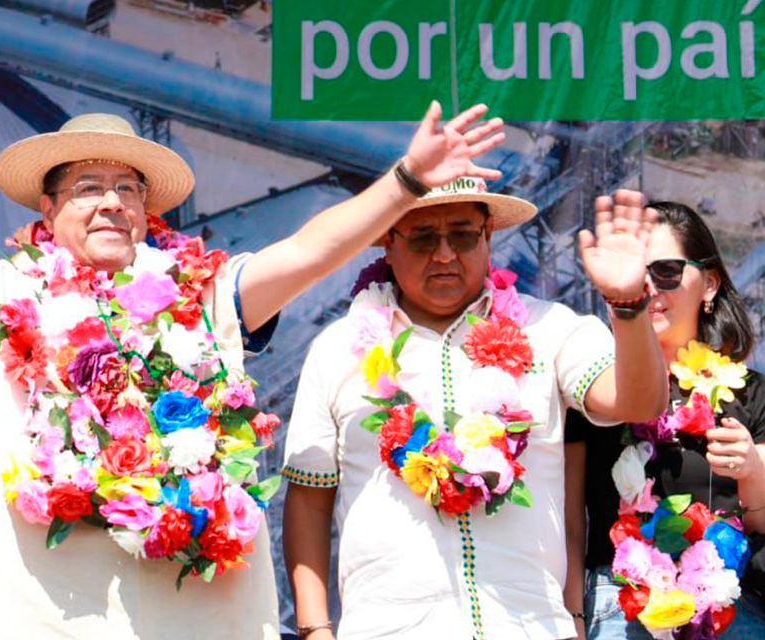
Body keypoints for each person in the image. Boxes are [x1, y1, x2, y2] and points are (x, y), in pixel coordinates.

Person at [0, 38, 508, 639]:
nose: (111, 202)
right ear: (47, 211)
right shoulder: (6, 291)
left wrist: (405, 180)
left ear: (149, 211)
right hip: (48, 622)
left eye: (128, 188)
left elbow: (312, 251)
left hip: (204, 620)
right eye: (87, 187)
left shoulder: (206, 295)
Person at [281, 182, 669, 640]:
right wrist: (314, 630)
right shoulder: (337, 349)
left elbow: (638, 402)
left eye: (462, 235)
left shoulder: (550, 328)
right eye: (424, 237)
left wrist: (629, 306)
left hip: (530, 627)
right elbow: (309, 494)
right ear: (389, 240)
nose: (444, 255)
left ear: (487, 236)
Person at [565, 201, 765, 639]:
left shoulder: (751, 392)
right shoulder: (596, 388)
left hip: (728, 614)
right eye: (638, 273)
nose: (650, 286)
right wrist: (573, 619)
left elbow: (760, 522)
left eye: (667, 271)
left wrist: (753, 469)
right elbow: (570, 522)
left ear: (709, 283)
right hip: (617, 606)